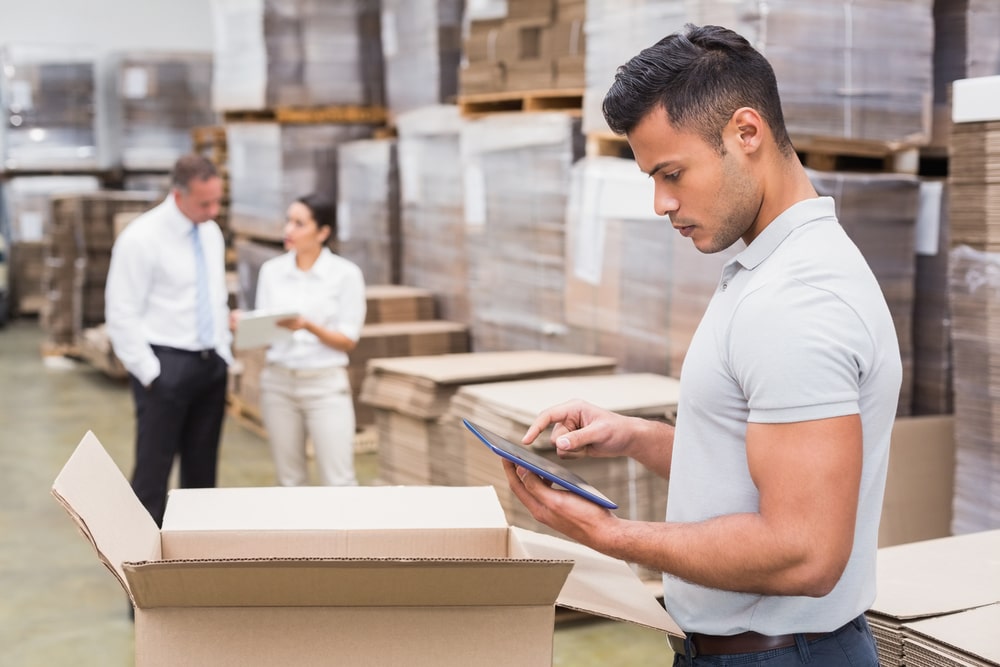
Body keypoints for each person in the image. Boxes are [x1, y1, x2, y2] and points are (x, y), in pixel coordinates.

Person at [506, 25, 901, 666]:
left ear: (747, 134)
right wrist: (635, 436)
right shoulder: (774, 272)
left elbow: (805, 551)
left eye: (672, 173)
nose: (661, 202)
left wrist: (612, 535)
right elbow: (761, 470)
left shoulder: (796, 302)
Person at [105, 154, 231, 527]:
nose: (213, 210)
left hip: (210, 365)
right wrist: (150, 373)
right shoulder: (141, 239)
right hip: (165, 365)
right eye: (204, 203)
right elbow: (121, 311)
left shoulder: (211, 232)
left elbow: (214, 294)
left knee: (202, 471)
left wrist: (223, 351)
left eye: (217, 200)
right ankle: (141, 567)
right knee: (152, 473)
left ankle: (194, 557)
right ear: (178, 196)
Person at [250, 194, 366, 487]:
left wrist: (306, 325)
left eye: (299, 223)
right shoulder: (272, 272)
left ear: (323, 232)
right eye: (289, 220)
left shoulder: (345, 275)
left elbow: (347, 340)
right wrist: (249, 327)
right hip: (278, 384)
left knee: (339, 481)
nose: (288, 229)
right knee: (290, 482)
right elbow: (266, 337)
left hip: (324, 386)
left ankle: (344, 535)